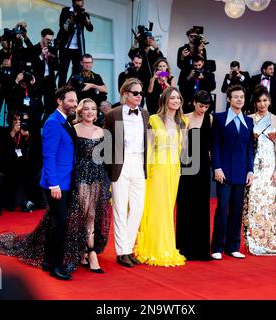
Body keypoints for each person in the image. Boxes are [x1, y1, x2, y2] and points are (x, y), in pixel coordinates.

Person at [0, 86, 77, 281]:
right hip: (57, 183)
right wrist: (54, 184)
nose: (75, 104)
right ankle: (56, 266)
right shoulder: (53, 122)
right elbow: (49, 155)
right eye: (71, 100)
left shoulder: (65, 121)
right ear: (59, 101)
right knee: (60, 223)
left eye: (75, 100)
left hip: (65, 180)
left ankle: (47, 260)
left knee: (55, 222)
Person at [134, 86, 188, 267]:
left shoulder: (183, 122)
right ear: (165, 100)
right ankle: (153, 248)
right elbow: (148, 147)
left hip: (174, 171)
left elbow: (183, 149)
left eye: (178, 98)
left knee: (167, 209)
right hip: (157, 170)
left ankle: (165, 246)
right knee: (157, 208)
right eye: (172, 98)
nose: (176, 101)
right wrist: (145, 172)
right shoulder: (154, 119)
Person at [104, 78, 149, 268]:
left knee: (137, 210)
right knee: (120, 209)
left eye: (141, 93)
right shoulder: (113, 115)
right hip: (120, 166)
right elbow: (106, 143)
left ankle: (128, 248)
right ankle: (122, 252)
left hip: (139, 164)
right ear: (125, 95)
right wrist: (109, 168)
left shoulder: (146, 115)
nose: (139, 96)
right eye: (135, 93)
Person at [211, 85, 254, 260]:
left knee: (237, 210)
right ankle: (217, 247)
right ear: (228, 99)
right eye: (235, 97)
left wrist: (250, 170)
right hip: (223, 172)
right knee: (222, 208)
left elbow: (250, 148)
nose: (239, 100)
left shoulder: (249, 121)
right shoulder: (219, 118)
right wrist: (217, 167)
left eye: (242, 97)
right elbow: (214, 145)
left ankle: (233, 246)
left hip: (241, 171)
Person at [71, 98, 110, 273]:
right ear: (80, 112)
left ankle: (89, 250)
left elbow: (106, 158)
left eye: (93, 109)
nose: (90, 112)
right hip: (80, 174)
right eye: (86, 109)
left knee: (92, 214)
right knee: (83, 211)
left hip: (96, 176)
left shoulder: (101, 131)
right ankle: (87, 250)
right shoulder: (74, 129)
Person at [243, 86, 276, 256]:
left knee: (269, 202)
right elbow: (245, 146)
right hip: (253, 166)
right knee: (252, 202)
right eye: (259, 101)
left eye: (265, 100)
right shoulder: (249, 119)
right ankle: (252, 240)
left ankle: (269, 241)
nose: (262, 104)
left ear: (270, 101)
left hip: (270, 166)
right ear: (255, 103)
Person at [176, 90, 213, 261]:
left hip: (204, 165)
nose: (203, 109)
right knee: (185, 203)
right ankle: (183, 247)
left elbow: (210, 143)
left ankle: (201, 248)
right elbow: (180, 143)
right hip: (187, 163)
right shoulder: (184, 118)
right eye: (200, 105)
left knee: (201, 205)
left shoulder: (210, 119)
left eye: (206, 106)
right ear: (193, 102)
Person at [57, 0, 94, 87]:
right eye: (78, 1)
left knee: (77, 72)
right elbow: (63, 27)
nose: (80, 4)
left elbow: (90, 28)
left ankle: (72, 89)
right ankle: (61, 92)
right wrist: (72, 16)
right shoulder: (66, 11)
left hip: (78, 48)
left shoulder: (84, 14)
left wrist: (87, 21)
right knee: (63, 72)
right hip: (65, 47)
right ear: (73, 2)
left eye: (81, 2)